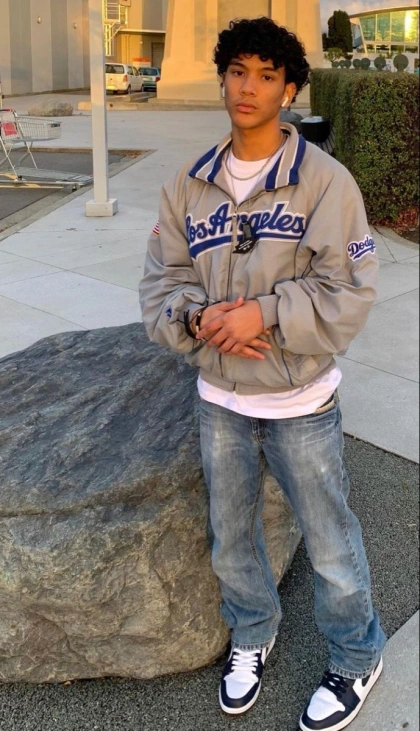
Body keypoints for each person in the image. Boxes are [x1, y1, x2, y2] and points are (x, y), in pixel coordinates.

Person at [139, 17, 386, 731]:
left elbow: (350, 290)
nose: (248, 87)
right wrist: (196, 319)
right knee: (231, 534)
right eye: (238, 71)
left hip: (300, 401)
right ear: (223, 78)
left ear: (289, 89)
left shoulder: (325, 183)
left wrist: (265, 314)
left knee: (331, 540)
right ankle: (252, 632)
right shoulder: (189, 185)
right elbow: (161, 284)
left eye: (267, 75)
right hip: (219, 399)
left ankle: (356, 654)